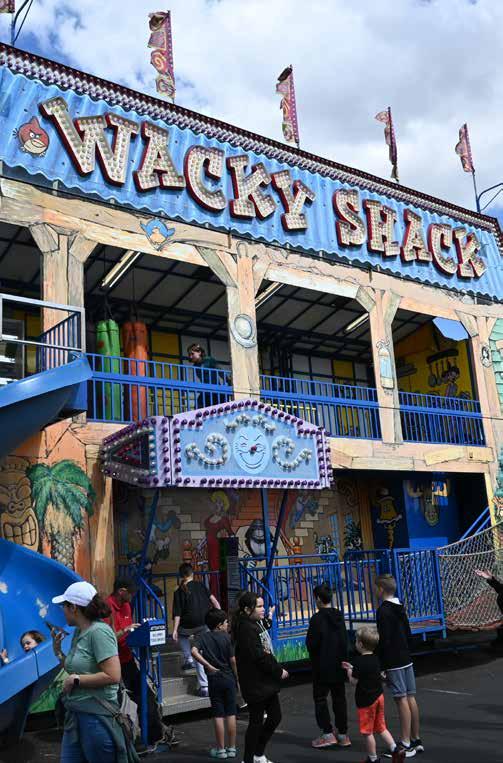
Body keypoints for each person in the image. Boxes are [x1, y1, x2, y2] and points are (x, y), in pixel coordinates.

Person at [51, 580, 139, 763]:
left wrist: (76, 680)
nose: (62, 610)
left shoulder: (99, 632)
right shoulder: (79, 632)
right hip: (76, 716)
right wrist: (58, 652)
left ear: (74, 608)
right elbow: (74, 668)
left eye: (64, 606)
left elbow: (113, 675)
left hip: (97, 718)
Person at [232, 592, 288, 763]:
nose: (263, 609)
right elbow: (259, 656)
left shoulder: (254, 623)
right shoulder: (246, 629)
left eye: (263, 605)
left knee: (275, 717)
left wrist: (270, 614)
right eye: (259, 606)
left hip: (265, 682)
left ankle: (258, 753)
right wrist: (278, 671)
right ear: (247, 609)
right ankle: (249, 758)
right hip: (256, 683)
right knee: (256, 722)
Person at [375, 574, 423, 758]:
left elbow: (384, 640)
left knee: (401, 698)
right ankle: (415, 739)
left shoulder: (383, 611)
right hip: (405, 656)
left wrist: (382, 665)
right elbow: (408, 633)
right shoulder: (400, 606)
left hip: (394, 660)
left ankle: (405, 743)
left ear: (381, 589)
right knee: (410, 697)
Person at [342, 627, 402, 763]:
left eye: (356, 641)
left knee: (367, 732)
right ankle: (395, 749)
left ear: (360, 644)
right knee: (381, 727)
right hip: (379, 697)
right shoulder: (376, 659)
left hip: (366, 701)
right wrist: (353, 668)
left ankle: (373, 758)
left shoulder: (359, 662)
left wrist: (349, 671)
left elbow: (353, 681)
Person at [306, 583, 351, 749]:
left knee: (320, 698)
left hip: (321, 665)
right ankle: (343, 733)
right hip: (339, 663)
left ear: (318, 599)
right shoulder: (338, 615)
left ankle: (327, 732)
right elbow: (344, 640)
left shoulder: (316, 619)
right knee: (339, 698)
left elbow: (312, 644)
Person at [192, 608, 238, 760]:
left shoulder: (203, 637)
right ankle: (232, 748)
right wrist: (237, 678)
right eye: (226, 622)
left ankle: (221, 749)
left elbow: (193, 651)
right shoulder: (227, 638)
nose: (227, 624)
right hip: (228, 678)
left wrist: (207, 665)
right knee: (231, 713)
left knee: (218, 714)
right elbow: (233, 660)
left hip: (213, 679)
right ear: (219, 625)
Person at [172, 562, 220, 697]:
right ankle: (205, 686)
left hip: (187, 625)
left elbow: (177, 614)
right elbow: (215, 602)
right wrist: (219, 617)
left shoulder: (178, 591)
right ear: (192, 573)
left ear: (181, 575)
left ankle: (188, 659)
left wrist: (174, 630)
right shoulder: (201, 585)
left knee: (182, 636)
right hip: (204, 623)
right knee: (200, 652)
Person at [187, 343, 221, 408]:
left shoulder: (209, 360)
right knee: (197, 407)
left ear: (199, 352)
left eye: (192, 354)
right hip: (206, 391)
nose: (190, 357)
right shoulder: (195, 366)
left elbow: (220, 371)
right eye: (189, 355)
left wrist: (228, 380)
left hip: (216, 390)